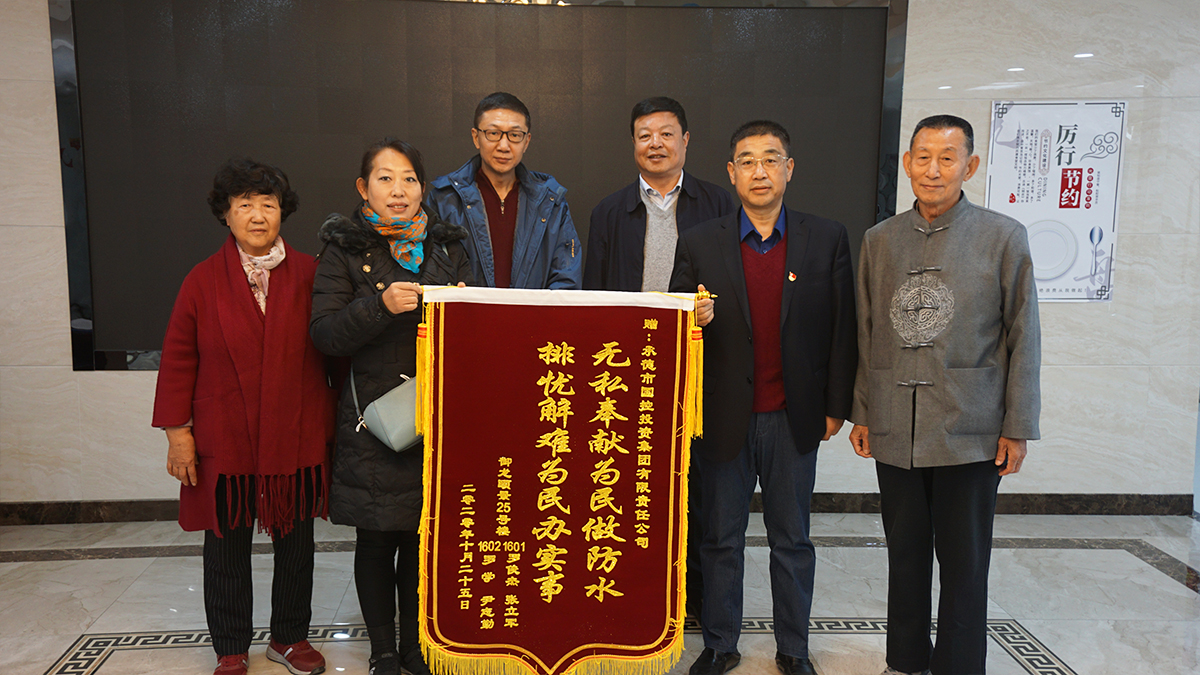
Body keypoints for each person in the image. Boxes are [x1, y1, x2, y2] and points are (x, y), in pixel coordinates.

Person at [848, 114, 1040, 675]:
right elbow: (865, 331)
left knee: (964, 563)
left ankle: (958, 664)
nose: (933, 169)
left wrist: (1017, 426)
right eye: (923, 157)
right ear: (907, 163)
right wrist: (864, 412)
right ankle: (905, 660)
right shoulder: (879, 240)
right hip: (895, 423)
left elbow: (1024, 335)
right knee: (904, 555)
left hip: (971, 427)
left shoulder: (1003, 237)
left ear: (970, 166)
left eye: (947, 158)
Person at [670, 121, 857, 675]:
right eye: (747, 161)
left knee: (792, 541)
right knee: (719, 539)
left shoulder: (826, 238)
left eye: (771, 159)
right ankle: (720, 644)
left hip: (793, 417)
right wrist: (693, 319)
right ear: (731, 173)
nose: (760, 171)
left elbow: (843, 329)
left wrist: (837, 406)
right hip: (722, 416)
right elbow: (674, 326)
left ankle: (793, 649)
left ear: (789, 169)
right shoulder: (700, 240)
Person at [153, 159, 335, 675]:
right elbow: (178, 359)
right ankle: (230, 647)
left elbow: (335, 348)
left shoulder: (312, 274)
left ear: (283, 212)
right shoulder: (202, 280)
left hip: (295, 434)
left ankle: (289, 638)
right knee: (226, 549)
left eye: (268, 204)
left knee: (297, 545)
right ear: (226, 214)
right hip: (225, 439)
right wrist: (178, 435)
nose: (257, 215)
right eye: (245, 205)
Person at [310, 139, 473, 675]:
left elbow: (476, 326)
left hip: (437, 415)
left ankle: (416, 646)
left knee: (423, 536)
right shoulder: (343, 248)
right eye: (385, 178)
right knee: (378, 539)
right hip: (375, 420)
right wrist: (379, 306)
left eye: (408, 179)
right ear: (364, 189)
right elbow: (324, 334)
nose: (398, 190)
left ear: (423, 188)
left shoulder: (448, 246)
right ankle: (383, 648)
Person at [427, 91, 581, 289]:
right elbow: (431, 276)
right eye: (493, 133)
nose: (504, 146)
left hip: (531, 311)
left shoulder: (550, 202)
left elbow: (567, 281)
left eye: (515, 135)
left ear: (526, 141)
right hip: (467, 310)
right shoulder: (444, 200)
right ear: (476, 137)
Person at [584, 96, 736, 292]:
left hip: (696, 313)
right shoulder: (607, 213)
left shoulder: (717, 202)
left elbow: (732, 282)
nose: (655, 143)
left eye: (666, 134)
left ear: (685, 140)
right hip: (629, 314)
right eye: (645, 136)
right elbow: (594, 293)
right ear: (634, 142)